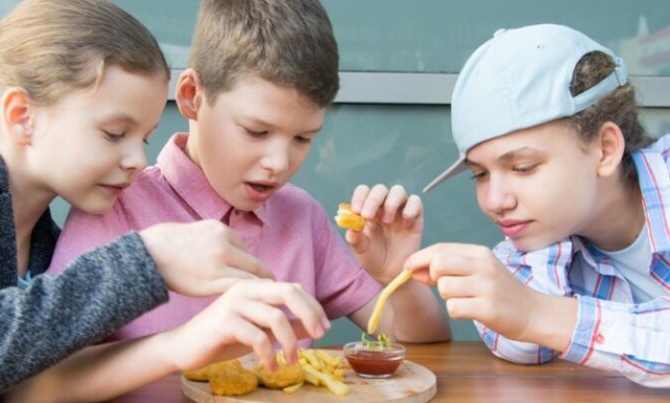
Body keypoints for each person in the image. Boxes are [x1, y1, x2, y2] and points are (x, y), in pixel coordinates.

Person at [0, 1, 330, 401]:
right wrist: (147, 260)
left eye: (143, 138)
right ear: (22, 115)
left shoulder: (47, 241)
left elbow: (26, 386)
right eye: (113, 133)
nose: (137, 160)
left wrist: (190, 342)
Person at [49, 0, 451, 346]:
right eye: (256, 131)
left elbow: (413, 343)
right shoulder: (115, 206)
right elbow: (53, 373)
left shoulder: (300, 217)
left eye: (303, 138)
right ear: (192, 97)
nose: (279, 162)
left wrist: (399, 278)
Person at [407, 24, 670, 387]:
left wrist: (537, 312)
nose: (496, 201)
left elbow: (532, 319)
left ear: (605, 149)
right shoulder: (539, 242)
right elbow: (523, 346)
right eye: (480, 175)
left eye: (523, 168)